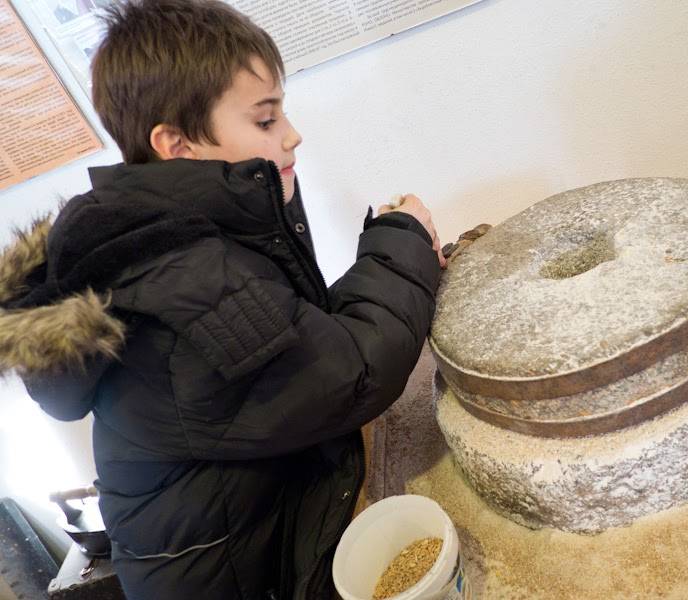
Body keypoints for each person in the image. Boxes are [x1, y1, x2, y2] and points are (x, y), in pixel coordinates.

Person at [0, 0, 445, 598]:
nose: (291, 134)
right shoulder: (177, 285)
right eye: (265, 120)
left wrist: (390, 254)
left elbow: (294, 332)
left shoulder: (165, 234)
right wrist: (402, 240)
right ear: (177, 144)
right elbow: (350, 376)